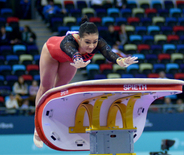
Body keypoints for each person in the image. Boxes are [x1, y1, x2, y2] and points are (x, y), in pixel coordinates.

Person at [33, 15, 138, 148]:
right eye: (87, 42)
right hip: (51, 53)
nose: (91, 46)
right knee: (46, 88)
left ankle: (51, 122)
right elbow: (73, 52)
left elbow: (109, 53)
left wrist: (121, 61)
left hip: (72, 61)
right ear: (79, 38)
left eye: (94, 42)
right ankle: (37, 127)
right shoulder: (69, 41)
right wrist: (78, 59)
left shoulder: (97, 42)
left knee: (58, 90)